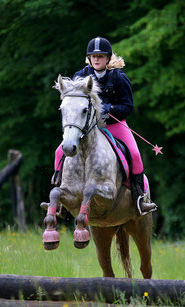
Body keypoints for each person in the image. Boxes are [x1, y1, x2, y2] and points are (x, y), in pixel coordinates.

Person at [52, 37, 156, 215]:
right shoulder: (80, 76)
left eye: (100, 56)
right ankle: (59, 200)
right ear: (89, 58)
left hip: (113, 124)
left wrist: (110, 109)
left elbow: (128, 106)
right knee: (59, 151)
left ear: (108, 58)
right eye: (93, 56)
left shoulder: (119, 78)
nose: (97, 59)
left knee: (135, 153)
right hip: (87, 128)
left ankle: (139, 198)